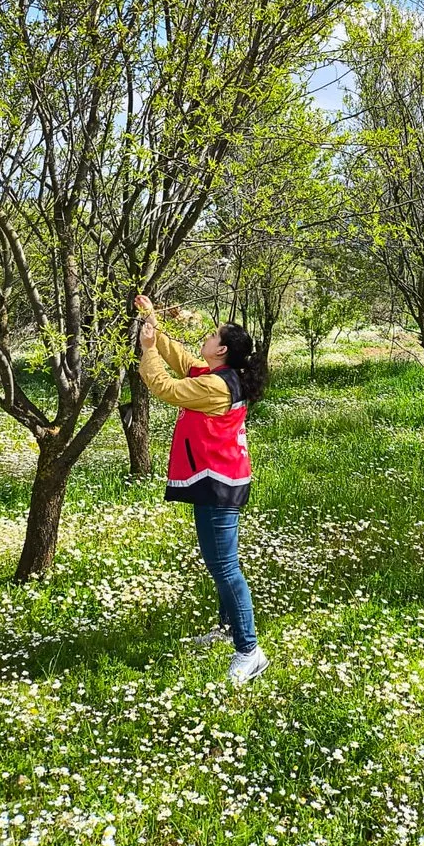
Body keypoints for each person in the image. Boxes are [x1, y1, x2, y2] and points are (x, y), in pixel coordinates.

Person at [134, 294, 269, 686]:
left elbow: (165, 386)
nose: (205, 339)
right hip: (217, 480)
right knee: (219, 565)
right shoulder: (217, 376)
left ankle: (250, 651)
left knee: (226, 568)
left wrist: (146, 349)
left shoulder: (215, 387)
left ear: (222, 350)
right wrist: (153, 323)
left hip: (219, 485)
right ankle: (229, 630)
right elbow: (179, 359)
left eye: (212, 336)